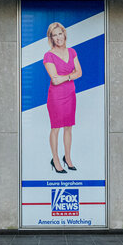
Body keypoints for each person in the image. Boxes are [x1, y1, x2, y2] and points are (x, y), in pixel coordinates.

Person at [43, 22, 82, 173]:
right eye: (55, 35)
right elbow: (54, 80)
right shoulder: (48, 55)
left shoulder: (72, 52)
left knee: (68, 127)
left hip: (70, 94)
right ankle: (55, 159)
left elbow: (80, 73)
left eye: (60, 34)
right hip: (56, 97)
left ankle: (68, 158)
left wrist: (65, 77)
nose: (58, 37)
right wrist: (71, 75)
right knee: (56, 128)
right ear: (51, 38)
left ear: (64, 34)